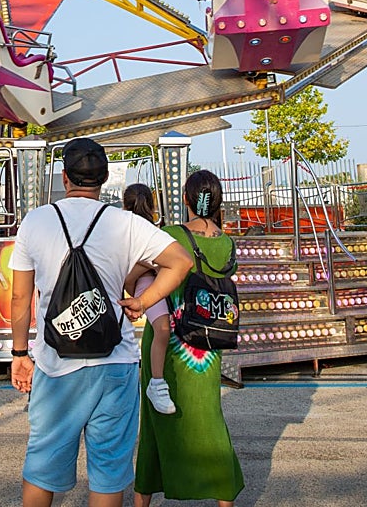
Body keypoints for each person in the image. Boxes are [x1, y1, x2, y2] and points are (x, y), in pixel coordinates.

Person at [9, 138, 194, 507]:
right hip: (115, 363)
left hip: (55, 364)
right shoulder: (124, 223)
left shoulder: (37, 221)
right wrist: (142, 301)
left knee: (43, 462)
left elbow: (19, 297)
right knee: (108, 470)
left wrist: (19, 353)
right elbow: (181, 261)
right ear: (105, 178)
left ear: (64, 177)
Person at [127, 169, 244, 507]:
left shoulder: (172, 235)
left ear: (187, 200)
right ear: (217, 201)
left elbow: (136, 272)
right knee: (209, 417)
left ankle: (143, 501)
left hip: (170, 343)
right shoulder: (226, 242)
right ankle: (224, 498)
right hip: (206, 347)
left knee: (154, 425)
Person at [122, 184, 175, 415]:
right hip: (145, 278)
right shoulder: (151, 229)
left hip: (143, 279)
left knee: (162, 328)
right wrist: (151, 263)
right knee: (162, 329)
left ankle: (156, 382)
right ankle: (157, 381)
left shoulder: (126, 228)